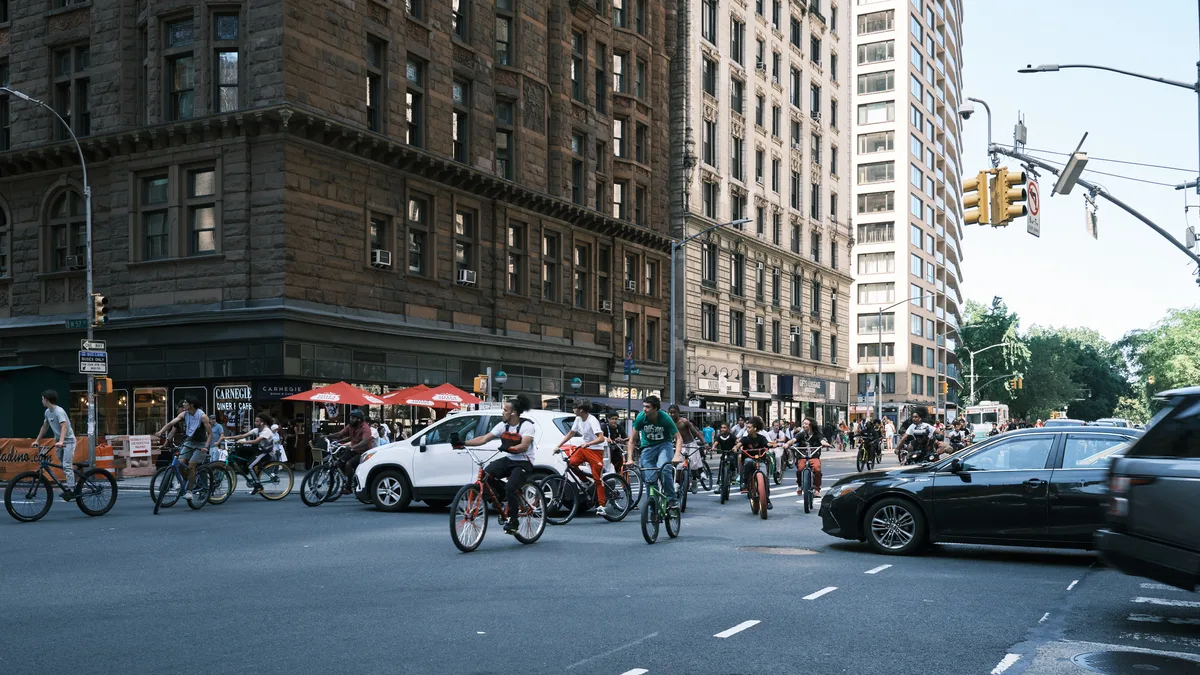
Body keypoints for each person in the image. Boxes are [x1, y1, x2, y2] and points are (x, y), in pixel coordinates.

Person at [464, 395, 537, 534]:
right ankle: (502, 494)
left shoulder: (527, 426)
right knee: (486, 474)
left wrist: (511, 448)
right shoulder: (503, 425)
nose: (502, 412)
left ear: (513, 413)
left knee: (511, 487)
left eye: (505, 410)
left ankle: (513, 522)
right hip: (509, 459)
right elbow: (484, 438)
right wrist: (463, 443)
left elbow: (524, 446)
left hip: (524, 462)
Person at [554, 398, 608, 515]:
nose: (573, 410)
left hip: (596, 450)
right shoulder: (578, 419)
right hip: (584, 448)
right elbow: (571, 433)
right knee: (572, 463)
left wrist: (589, 443)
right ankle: (586, 481)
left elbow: (601, 438)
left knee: (597, 478)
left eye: (575, 408)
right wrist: (559, 445)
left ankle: (602, 505)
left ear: (581, 410)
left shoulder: (592, 421)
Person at [627, 395, 683, 509]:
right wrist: (630, 458)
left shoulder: (665, 418)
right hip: (647, 447)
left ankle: (671, 499)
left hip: (664, 445)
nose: (644, 409)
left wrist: (676, 456)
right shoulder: (640, 418)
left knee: (664, 469)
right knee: (649, 477)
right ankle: (653, 504)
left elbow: (679, 438)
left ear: (655, 408)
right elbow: (632, 440)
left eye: (647, 407)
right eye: (644, 406)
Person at [154, 395, 213, 501]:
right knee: (180, 463)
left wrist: (206, 447)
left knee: (191, 465)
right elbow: (171, 424)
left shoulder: (203, 416)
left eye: (185, 403)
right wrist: (160, 432)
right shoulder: (184, 414)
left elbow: (210, 434)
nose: (183, 405)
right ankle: (188, 479)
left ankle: (190, 491)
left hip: (201, 443)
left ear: (191, 405)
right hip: (189, 441)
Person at [32, 389, 78, 501]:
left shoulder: (59, 411)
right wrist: (37, 440)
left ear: (46, 399)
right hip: (59, 442)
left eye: (42, 399)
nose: (41, 401)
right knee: (64, 465)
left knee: (66, 465)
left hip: (69, 441)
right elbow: (44, 427)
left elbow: (64, 426)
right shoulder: (47, 412)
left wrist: (62, 441)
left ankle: (72, 490)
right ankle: (73, 479)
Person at [327, 408, 374, 493]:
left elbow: (365, 441)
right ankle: (347, 477)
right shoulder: (351, 426)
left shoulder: (365, 428)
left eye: (353, 418)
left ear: (359, 419)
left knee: (349, 464)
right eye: (350, 417)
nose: (351, 419)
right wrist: (327, 437)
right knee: (339, 462)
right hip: (353, 450)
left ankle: (349, 487)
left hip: (363, 452)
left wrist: (353, 447)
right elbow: (340, 434)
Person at [233, 413, 278, 494]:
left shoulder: (266, 431)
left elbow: (256, 441)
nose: (255, 423)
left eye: (257, 421)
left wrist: (244, 442)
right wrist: (226, 437)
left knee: (250, 466)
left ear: (262, 423)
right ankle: (244, 469)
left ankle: (258, 486)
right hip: (260, 450)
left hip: (267, 453)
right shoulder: (256, 430)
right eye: (255, 421)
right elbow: (242, 435)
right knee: (242, 450)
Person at [734, 416, 772, 510]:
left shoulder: (762, 438)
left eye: (749, 427)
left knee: (765, 479)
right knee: (748, 462)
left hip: (760, 460)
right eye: (747, 427)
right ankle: (745, 482)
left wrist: (773, 445)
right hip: (749, 459)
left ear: (755, 428)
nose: (747, 429)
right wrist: (735, 448)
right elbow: (738, 445)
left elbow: (767, 444)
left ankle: (766, 500)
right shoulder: (745, 438)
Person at [668, 405, 703, 494]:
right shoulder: (669, 422)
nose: (672, 414)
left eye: (674, 412)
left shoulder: (684, 421)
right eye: (670, 413)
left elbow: (695, 432)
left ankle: (694, 481)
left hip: (690, 443)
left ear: (678, 413)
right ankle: (677, 483)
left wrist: (705, 442)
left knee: (694, 465)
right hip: (680, 445)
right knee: (679, 465)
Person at [795, 418, 829, 497]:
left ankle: (817, 489)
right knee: (800, 469)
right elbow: (793, 440)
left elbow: (822, 440)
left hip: (814, 456)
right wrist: (787, 444)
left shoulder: (818, 434)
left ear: (811, 425)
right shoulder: (801, 434)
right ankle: (799, 485)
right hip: (802, 456)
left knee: (817, 469)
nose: (804, 425)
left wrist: (825, 443)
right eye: (803, 423)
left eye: (806, 424)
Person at [710, 421, 739, 492]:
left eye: (724, 428)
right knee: (721, 468)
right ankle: (718, 485)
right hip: (724, 453)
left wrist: (738, 446)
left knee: (732, 459)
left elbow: (737, 441)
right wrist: (713, 447)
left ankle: (733, 472)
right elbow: (715, 443)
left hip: (731, 453)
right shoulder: (719, 436)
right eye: (721, 428)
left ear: (728, 429)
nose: (722, 429)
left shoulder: (731, 435)